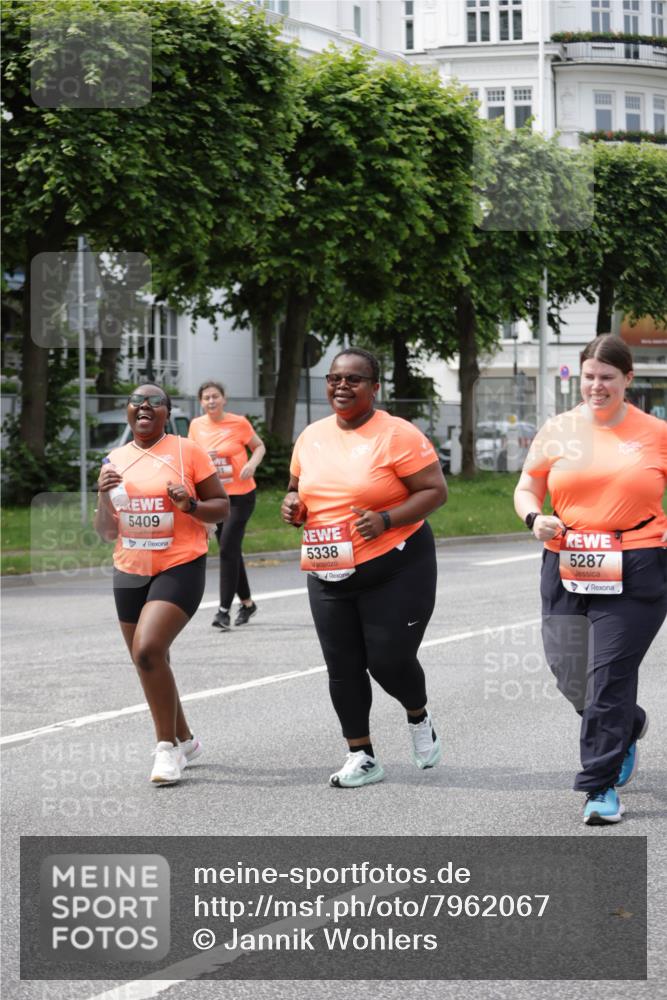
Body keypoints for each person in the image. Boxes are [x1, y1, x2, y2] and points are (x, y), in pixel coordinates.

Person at [514, 335, 667, 825]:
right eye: (589, 377)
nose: (596, 386)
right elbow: (527, 486)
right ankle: (627, 724)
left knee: (608, 678)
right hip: (568, 560)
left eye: (607, 377)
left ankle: (599, 788)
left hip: (639, 562)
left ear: (627, 379)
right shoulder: (557, 430)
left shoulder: (656, 433)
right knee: (569, 674)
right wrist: (534, 517)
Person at [281, 347, 447, 788]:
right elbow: (298, 489)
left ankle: (418, 715)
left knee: (389, 661)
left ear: (375, 388)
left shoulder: (397, 434)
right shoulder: (311, 436)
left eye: (354, 379)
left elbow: (435, 491)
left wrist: (387, 518)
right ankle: (362, 755)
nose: (341, 386)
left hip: (395, 563)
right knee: (342, 666)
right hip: (327, 566)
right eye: (335, 378)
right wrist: (294, 506)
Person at [95, 384, 228, 786]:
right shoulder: (114, 459)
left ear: (167, 413)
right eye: (137, 401)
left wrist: (189, 504)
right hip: (130, 567)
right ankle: (186, 739)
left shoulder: (187, 452)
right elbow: (105, 531)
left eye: (154, 401)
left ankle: (166, 749)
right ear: (127, 413)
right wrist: (102, 496)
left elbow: (221, 505)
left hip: (180, 564)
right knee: (152, 661)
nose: (145, 406)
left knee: (149, 649)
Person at [188, 381, 266, 631]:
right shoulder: (196, 426)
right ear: (201, 402)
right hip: (214, 497)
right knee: (230, 550)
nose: (211, 401)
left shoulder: (238, 423)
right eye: (206, 398)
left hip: (241, 496)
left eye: (215, 396)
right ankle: (247, 603)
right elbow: (191, 457)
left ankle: (223, 611)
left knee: (227, 548)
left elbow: (259, 446)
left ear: (224, 399)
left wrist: (252, 465)